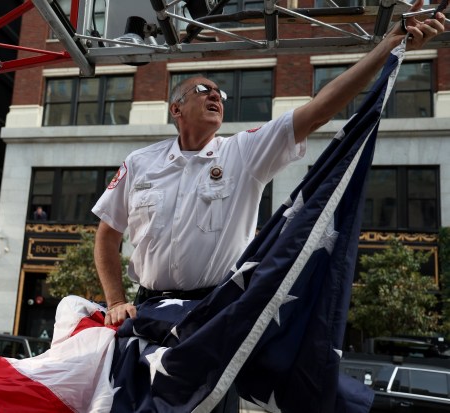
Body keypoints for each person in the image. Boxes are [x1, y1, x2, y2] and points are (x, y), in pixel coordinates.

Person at [91, 2, 444, 411]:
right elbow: (107, 234)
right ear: (176, 109)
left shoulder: (244, 152)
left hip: (212, 320)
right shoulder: (140, 164)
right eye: (203, 90)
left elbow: (317, 111)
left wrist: (389, 44)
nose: (216, 97)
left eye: (220, 94)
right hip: (149, 315)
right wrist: (116, 302)